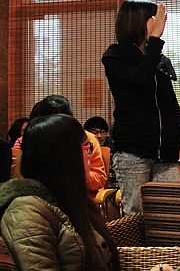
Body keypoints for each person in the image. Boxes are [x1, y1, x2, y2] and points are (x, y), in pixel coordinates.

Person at [102, 0, 180, 214]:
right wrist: (155, 41)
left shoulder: (158, 59)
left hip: (166, 151)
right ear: (136, 21)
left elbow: (171, 104)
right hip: (132, 150)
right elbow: (140, 80)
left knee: (172, 212)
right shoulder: (115, 56)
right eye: (153, 17)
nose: (159, 21)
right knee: (136, 212)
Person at [0, 114, 120, 270]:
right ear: (63, 157)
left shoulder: (70, 198)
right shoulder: (27, 211)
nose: (89, 157)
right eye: (86, 148)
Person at [13, 95, 107, 195]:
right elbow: (20, 175)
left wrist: (77, 176)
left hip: (76, 195)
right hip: (37, 195)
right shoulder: (30, 139)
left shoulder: (85, 139)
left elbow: (99, 178)